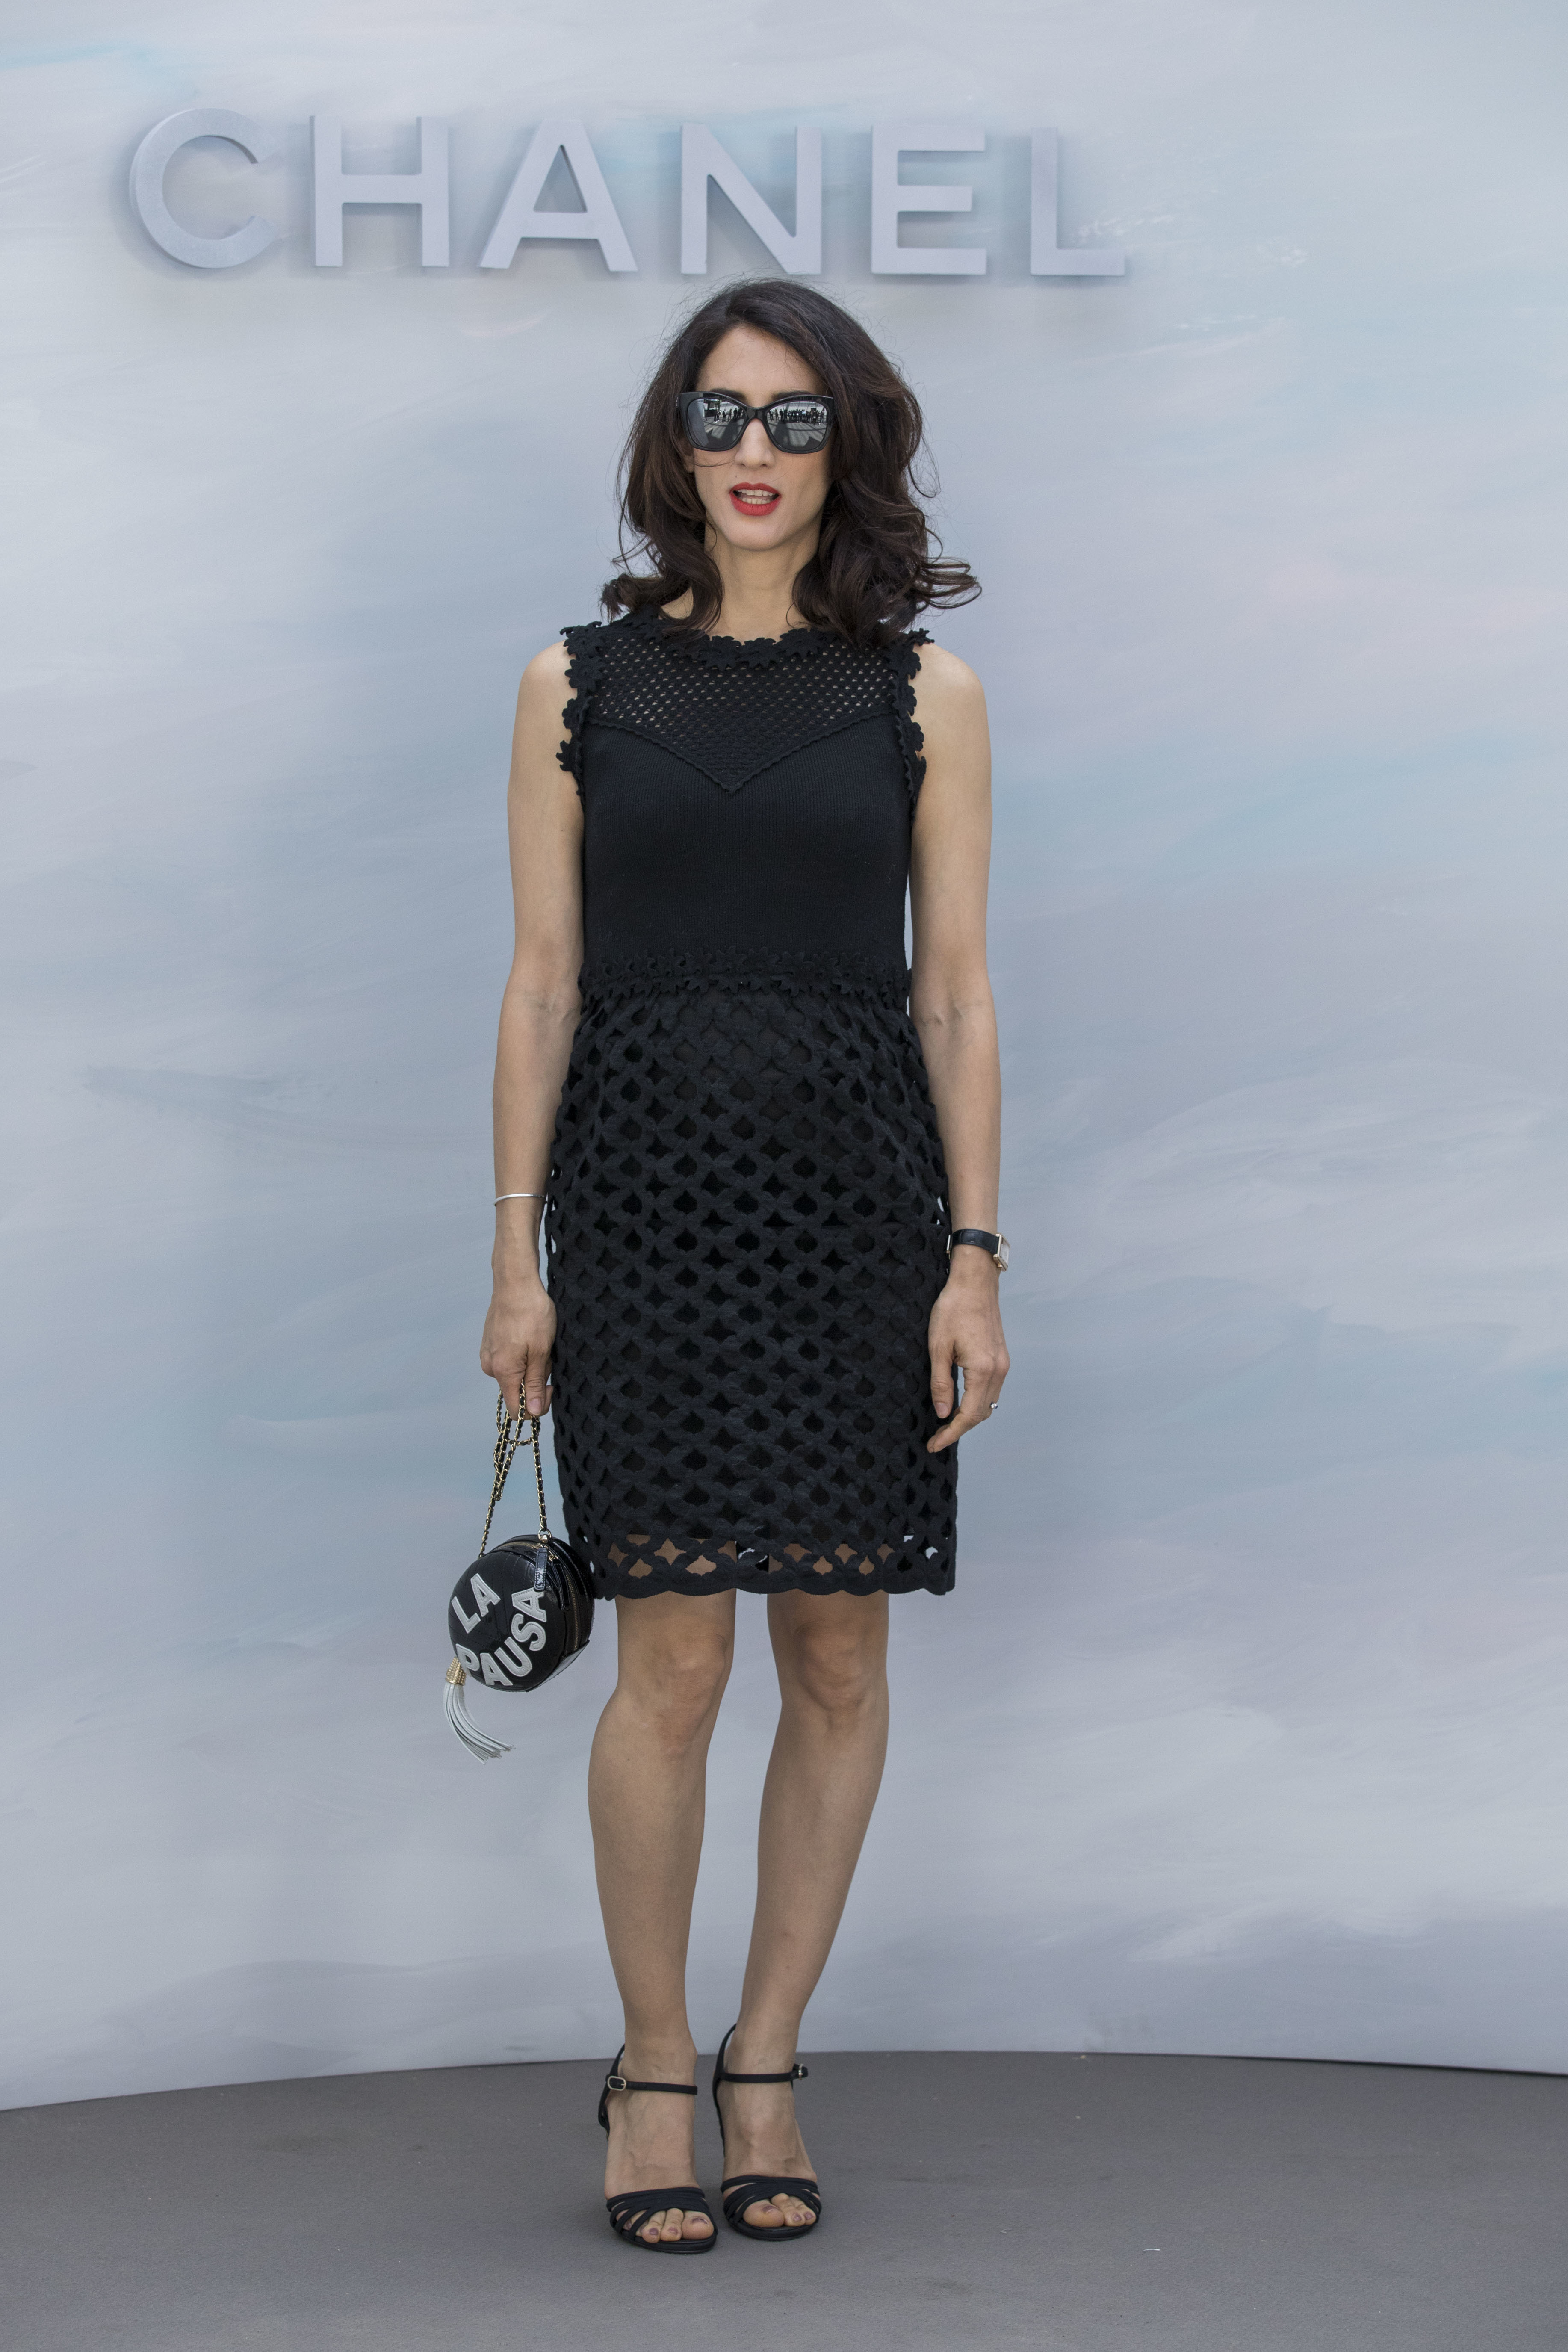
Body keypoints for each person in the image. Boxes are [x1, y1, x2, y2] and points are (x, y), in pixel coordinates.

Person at [480, 279, 1008, 2253]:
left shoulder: (922, 695)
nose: (756, 453)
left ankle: (766, 2056)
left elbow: (950, 995)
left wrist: (972, 1260)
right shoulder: (574, 682)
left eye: (794, 419)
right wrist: (515, 1258)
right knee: (673, 1654)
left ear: (842, 444)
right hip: (638, 1211)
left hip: (861, 1217)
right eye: (721, 415)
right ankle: (648, 2062)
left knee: (839, 1649)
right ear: (673, 444)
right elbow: (542, 983)